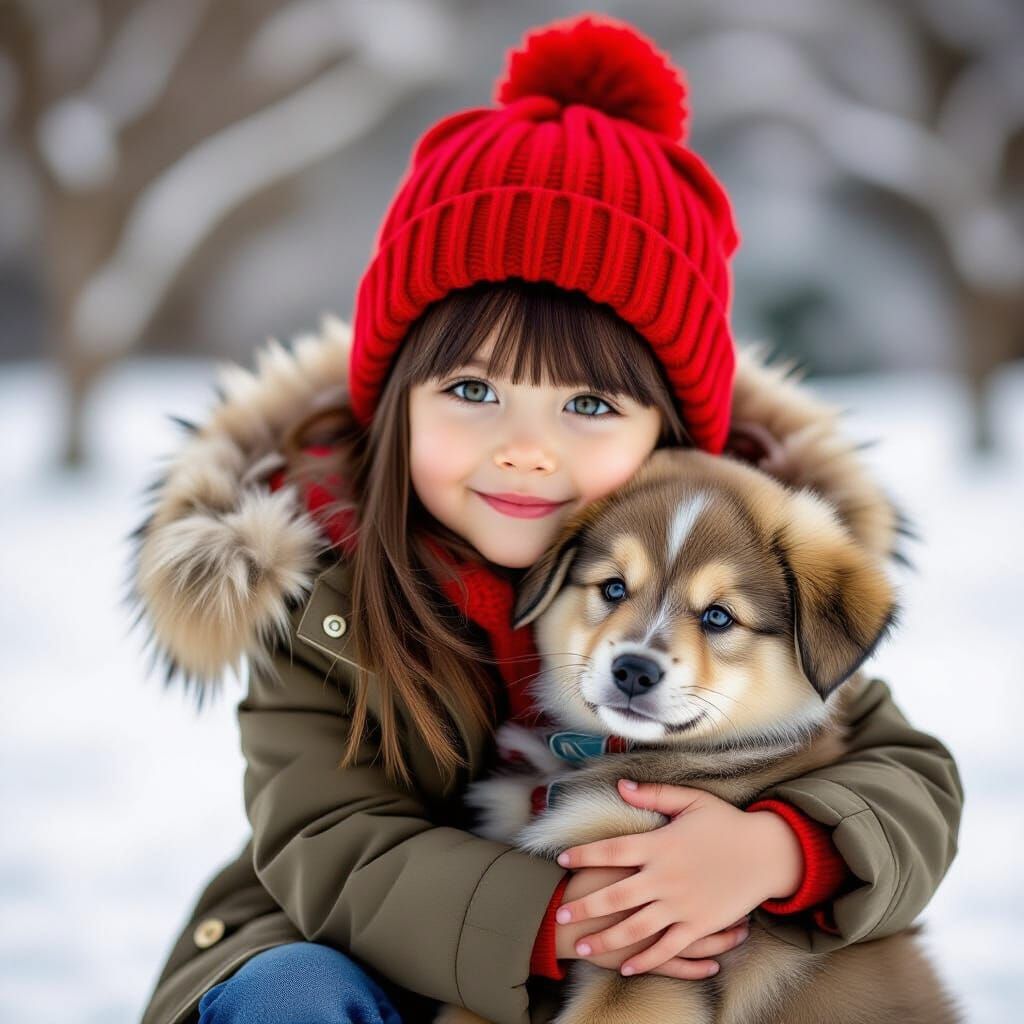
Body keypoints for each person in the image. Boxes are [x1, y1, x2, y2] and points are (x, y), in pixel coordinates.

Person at [130, 13, 963, 1024]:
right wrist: (562, 914)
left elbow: (906, 777)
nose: (525, 449)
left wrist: (777, 849)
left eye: (587, 405)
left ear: (670, 436)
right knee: (291, 995)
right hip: (362, 961)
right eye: (473, 392)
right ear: (393, 401)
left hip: (658, 977)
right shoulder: (326, 581)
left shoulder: (735, 556)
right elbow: (330, 839)